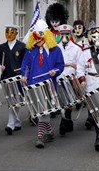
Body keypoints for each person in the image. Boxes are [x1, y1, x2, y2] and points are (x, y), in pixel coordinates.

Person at [21, 19, 65, 148]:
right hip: (34, 85)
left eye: (41, 37)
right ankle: (49, 132)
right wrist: (24, 76)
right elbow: (26, 66)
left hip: (49, 85)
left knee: (43, 112)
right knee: (41, 111)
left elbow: (60, 65)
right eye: (36, 38)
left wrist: (54, 71)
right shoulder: (30, 50)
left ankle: (40, 137)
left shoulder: (55, 50)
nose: (38, 40)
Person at [0, 24, 27, 135]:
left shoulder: (22, 46)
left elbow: (25, 63)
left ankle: (10, 124)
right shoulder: (2, 47)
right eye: (7, 32)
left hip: (18, 77)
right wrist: (0, 66)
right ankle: (17, 122)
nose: (9, 34)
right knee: (11, 101)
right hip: (6, 77)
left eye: (12, 32)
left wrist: (25, 75)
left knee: (16, 100)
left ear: (16, 33)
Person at [56, 24, 82, 136]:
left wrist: (76, 68)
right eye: (62, 34)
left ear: (70, 34)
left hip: (71, 76)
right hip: (59, 76)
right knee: (62, 100)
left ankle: (64, 121)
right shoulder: (56, 47)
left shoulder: (76, 48)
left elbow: (81, 64)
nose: (65, 36)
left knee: (69, 99)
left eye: (67, 34)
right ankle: (67, 120)